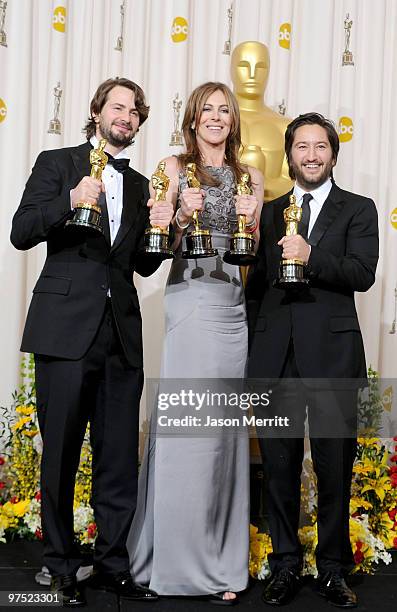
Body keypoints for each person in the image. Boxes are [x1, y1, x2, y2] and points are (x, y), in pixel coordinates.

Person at [10, 77, 173, 607]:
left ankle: (112, 564)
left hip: (122, 335)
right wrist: (69, 198)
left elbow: (142, 264)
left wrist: (165, 231)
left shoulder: (145, 184)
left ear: (140, 123)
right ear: (97, 112)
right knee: (59, 453)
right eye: (117, 107)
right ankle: (59, 565)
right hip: (64, 330)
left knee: (119, 457)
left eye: (133, 111)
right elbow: (21, 230)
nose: (125, 117)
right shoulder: (58, 162)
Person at [127, 81, 264, 605]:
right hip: (190, 300)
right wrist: (181, 214)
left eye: (224, 110)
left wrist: (251, 220)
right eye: (207, 109)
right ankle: (179, 565)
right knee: (190, 432)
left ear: (233, 120)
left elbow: (252, 249)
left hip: (234, 307)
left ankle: (219, 561)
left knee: (223, 437)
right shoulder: (172, 167)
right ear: (193, 117)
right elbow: (157, 243)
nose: (216, 117)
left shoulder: (251, 174)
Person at [246, 112, 379, 608]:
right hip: (275, 358)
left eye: (320, 146)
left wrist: (309, 253)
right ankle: (283, 564)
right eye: (301, 147)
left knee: (334, 468)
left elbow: (361, 273)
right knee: (277, 468)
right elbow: (255, 290)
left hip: (333, 359)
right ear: (290, 155)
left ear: (333, 154)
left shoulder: (358, 209)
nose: (311, 155)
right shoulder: (270, 211)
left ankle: (331, 569)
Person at [231, 40, 293, 202]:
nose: (252, 74)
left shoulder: (285, 126)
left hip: (274, 220)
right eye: (244, 66)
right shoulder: (215, 124)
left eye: (261, 67)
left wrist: (255, 186)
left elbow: (293, 186)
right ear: (231, 70)